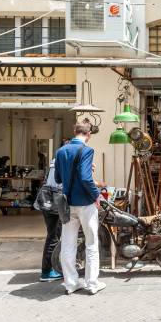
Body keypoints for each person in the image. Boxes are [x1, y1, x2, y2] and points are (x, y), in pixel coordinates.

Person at [54, 122, 105, 295]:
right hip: (85, 203)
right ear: (88, 134)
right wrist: (96, 195)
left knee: (67, 244)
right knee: (91, 243)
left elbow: (58, 178)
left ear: (74, 132)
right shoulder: (87, 150)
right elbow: (85, 177)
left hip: (68, 203)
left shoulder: (61, 151)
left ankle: (71, 284)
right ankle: (92, 284)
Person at [37, 155, 64, 282]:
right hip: (54, 202)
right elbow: (61, 185)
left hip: (48, 201)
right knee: (53, 237)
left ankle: (50, 268)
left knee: (52, 236)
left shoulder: (54, 164)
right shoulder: (61, 164)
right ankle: (46, 272)